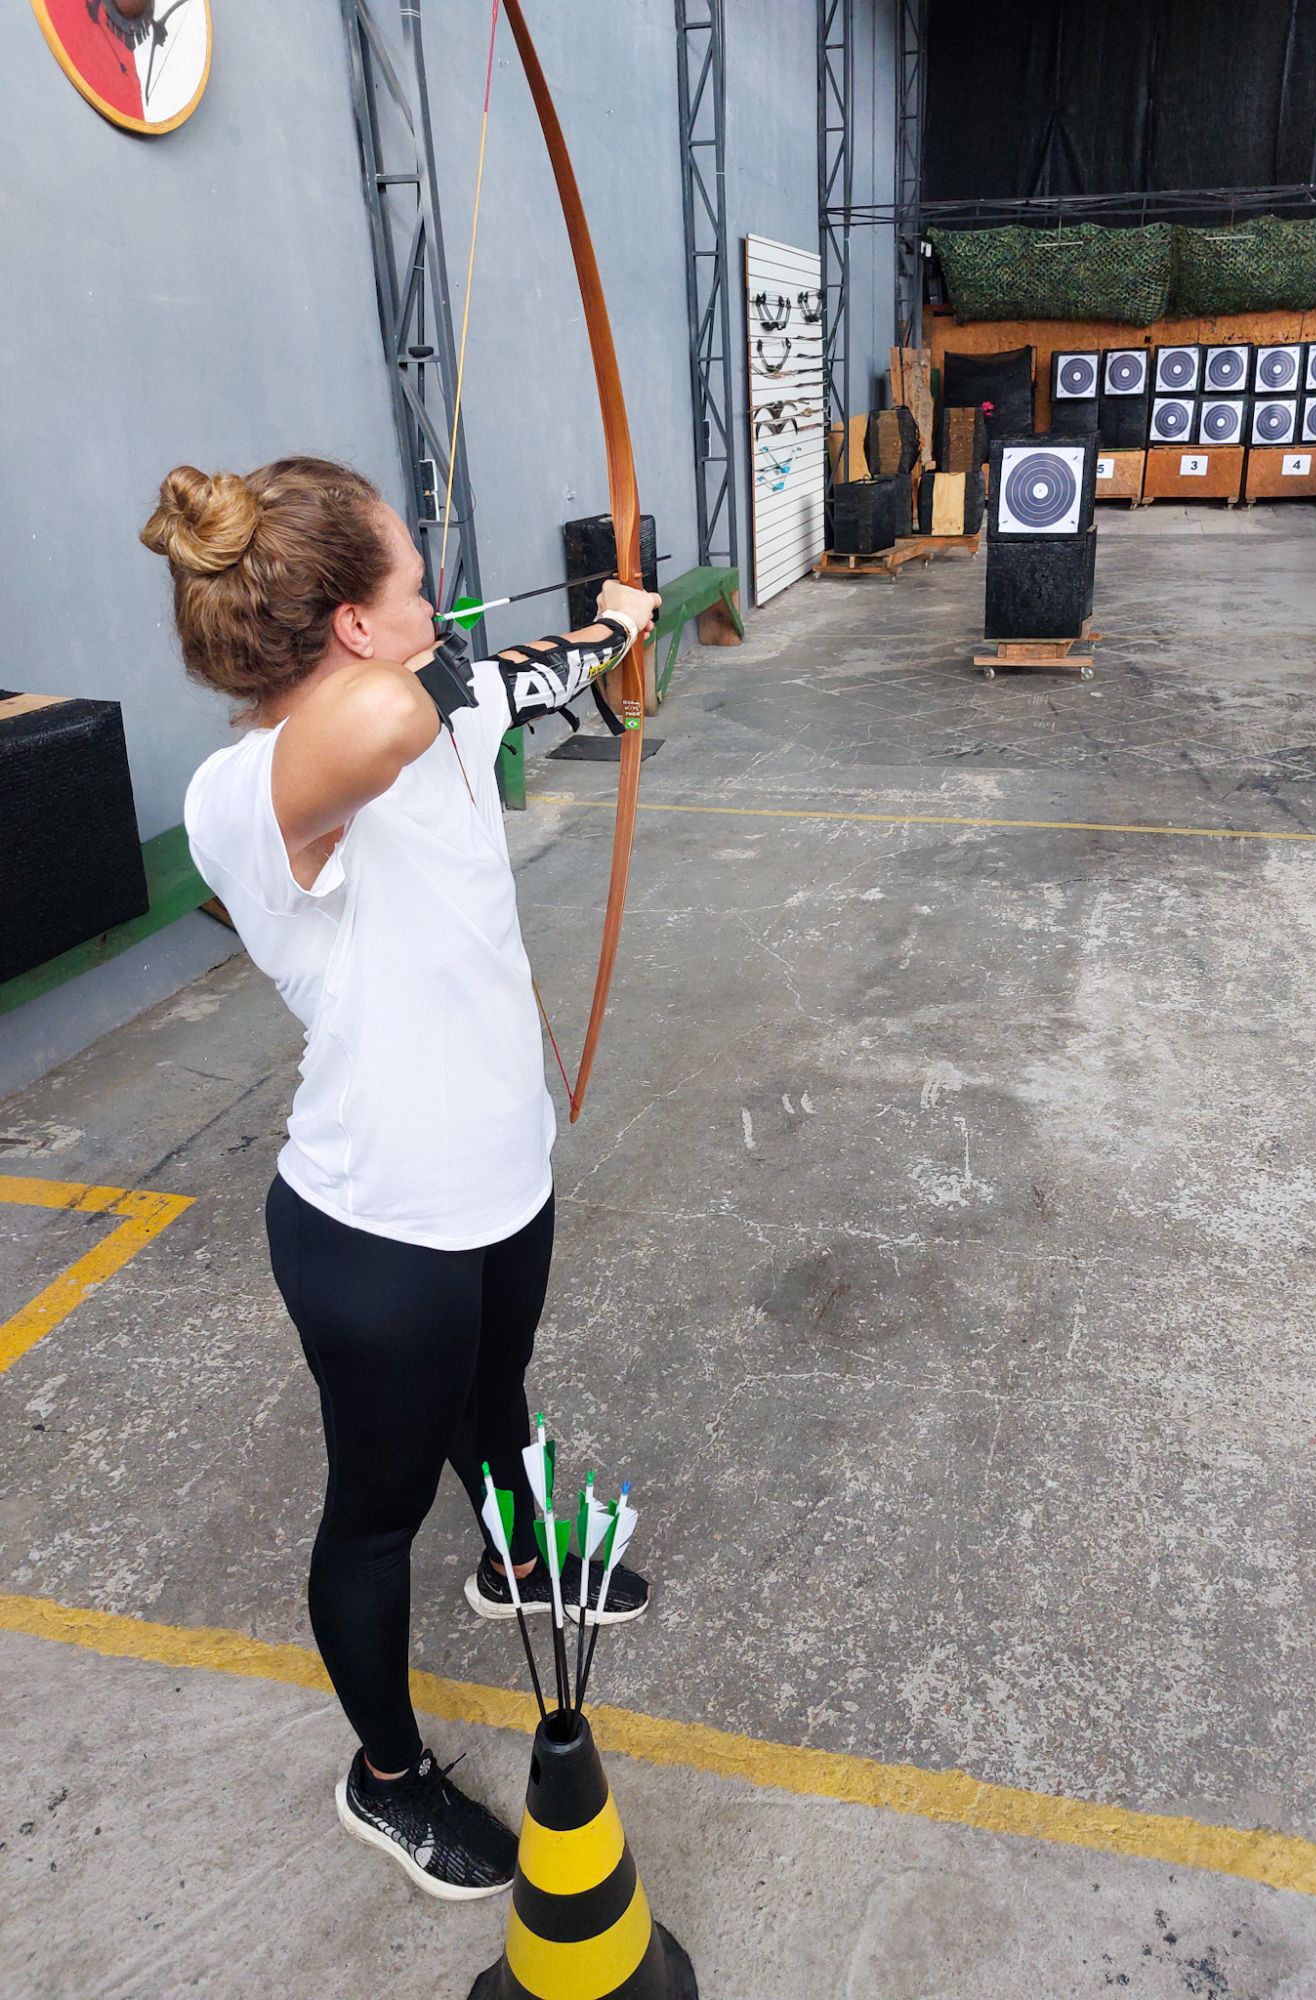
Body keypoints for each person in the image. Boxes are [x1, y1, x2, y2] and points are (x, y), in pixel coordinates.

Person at [141, 457, 659, 1900]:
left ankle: (518, 1562)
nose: (444, 605)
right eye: (416, 586)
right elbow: (387, 714)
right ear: (356, 628)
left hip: (502, 1176)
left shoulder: (437, 697)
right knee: (374, 1513)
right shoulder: (248, 793)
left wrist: (612, 629)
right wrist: (469, 662)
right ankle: (385, 1778)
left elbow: (520, 680)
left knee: (497, 1406)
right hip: (374, 1228)